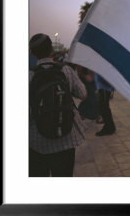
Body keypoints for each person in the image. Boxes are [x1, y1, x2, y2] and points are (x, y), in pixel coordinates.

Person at [29, 33, 87, 177]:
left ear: (32, 53)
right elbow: (83, 94)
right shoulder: (65, 70)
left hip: (37, 141)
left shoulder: (29, 75)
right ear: (52, 51)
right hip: (66, 138)